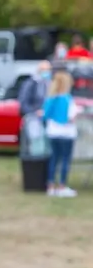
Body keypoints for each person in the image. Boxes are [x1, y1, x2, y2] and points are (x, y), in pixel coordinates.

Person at [44, 69, 80, 198]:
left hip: (53, 132)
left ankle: (50, 186)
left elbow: (45, 114)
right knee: (65, 159)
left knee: (54, 158)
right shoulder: (68, 99)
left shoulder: (51, 98)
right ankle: (62, 186)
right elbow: (71, 116)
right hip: (67, 133)